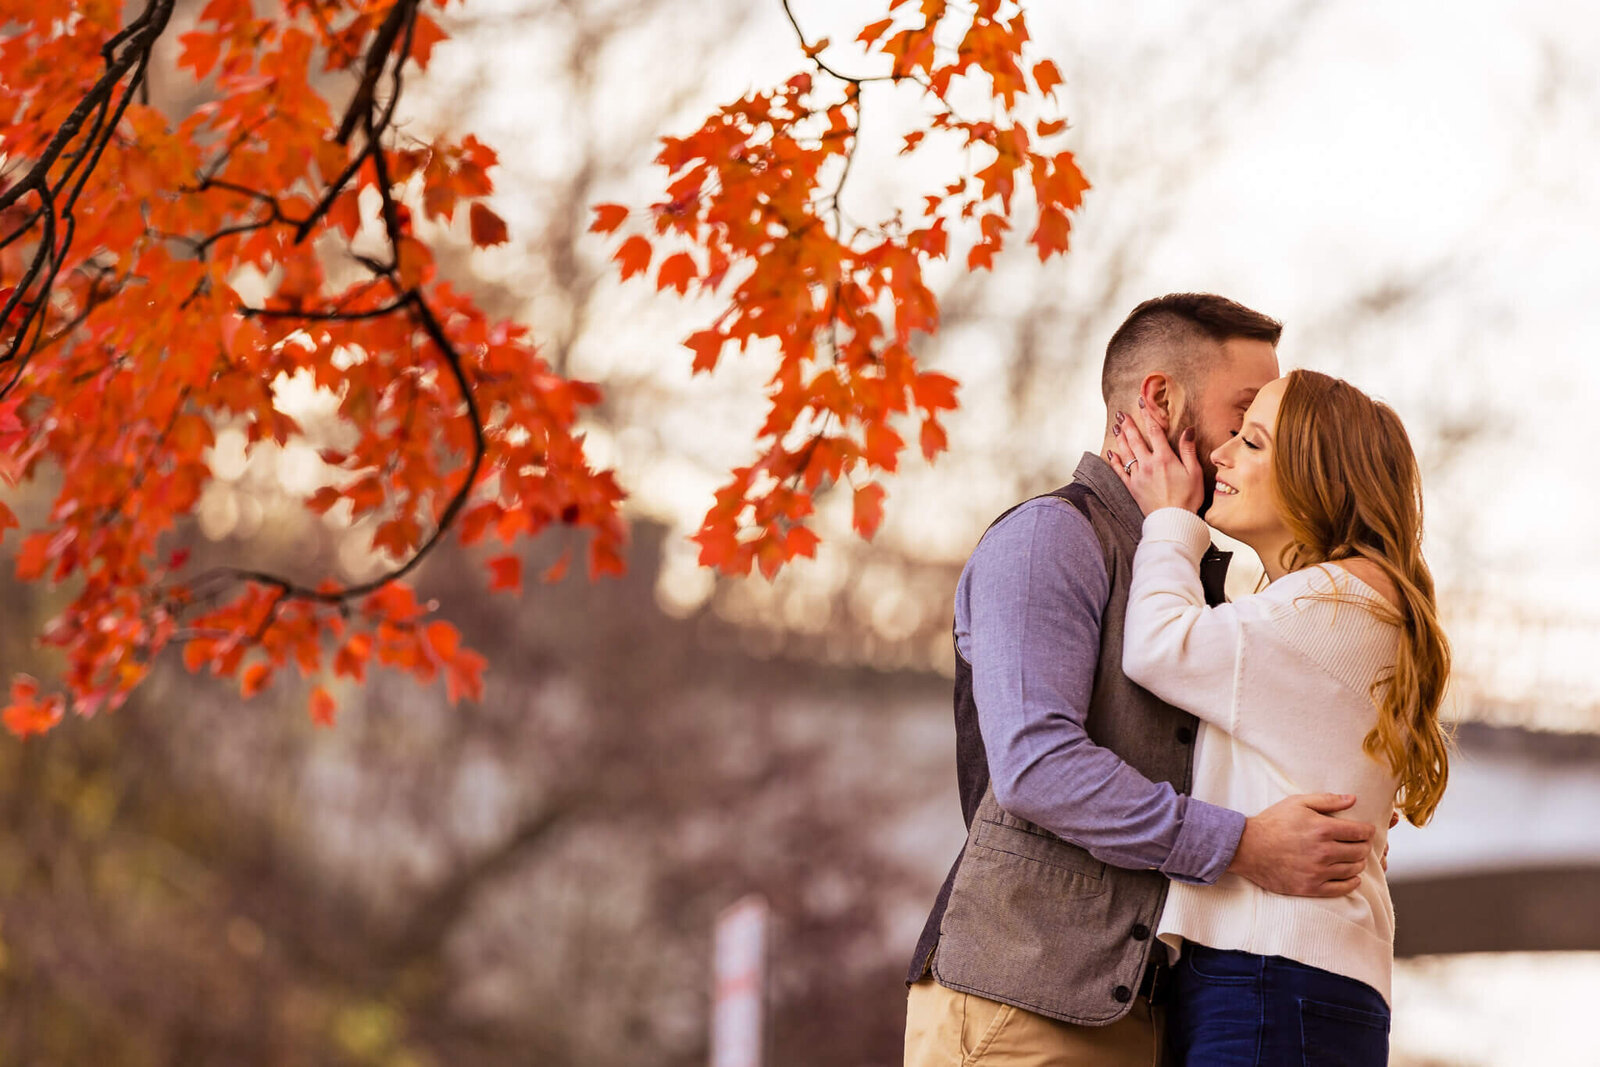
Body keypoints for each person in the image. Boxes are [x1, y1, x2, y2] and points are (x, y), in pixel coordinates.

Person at [904, 295, 1381, 1067]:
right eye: (1243, 414)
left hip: (1139, 1019)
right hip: (1021, 1008)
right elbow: (1038, 766)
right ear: (1159, 400)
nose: (1248, 447)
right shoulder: (1050, 538)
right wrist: (1242, 844)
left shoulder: (1197, 576)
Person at [1106, 368, 1451, 1064]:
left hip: (1269, 974)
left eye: (1253, 442)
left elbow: (1158, 645)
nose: (1221, 455)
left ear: (1316, 477)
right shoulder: (1336, 605)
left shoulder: (1332, 604)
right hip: (1286, 976)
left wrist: (1169, 519)